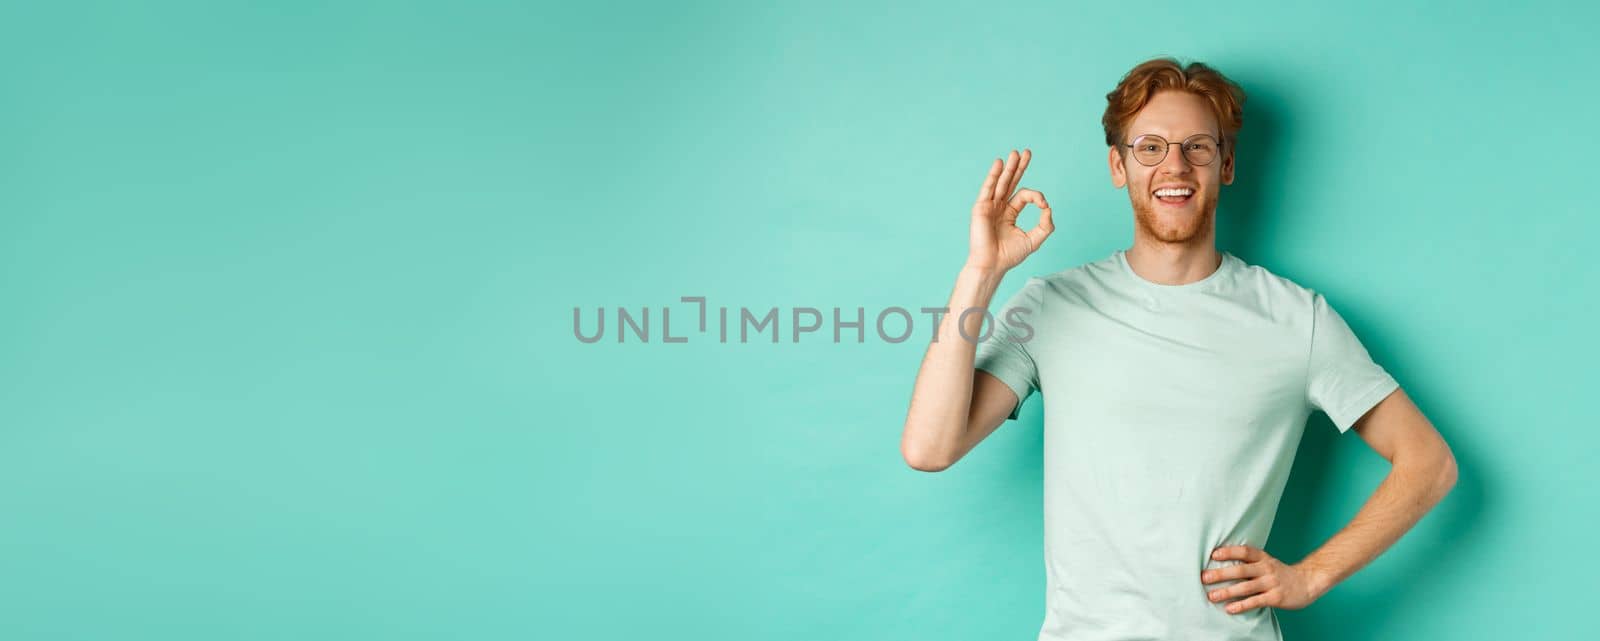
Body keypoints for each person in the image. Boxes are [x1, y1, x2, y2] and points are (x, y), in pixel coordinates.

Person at [898, 57, 1458, 641]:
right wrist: (980, 274)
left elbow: (1429, 463)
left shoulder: (1297, 319)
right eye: (1150, 147)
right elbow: (929, 448)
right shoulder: (1051, 305)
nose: (1175, 166)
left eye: (1197, 147)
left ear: (1227, 163)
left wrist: (1311, 577)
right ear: (1118, 165)